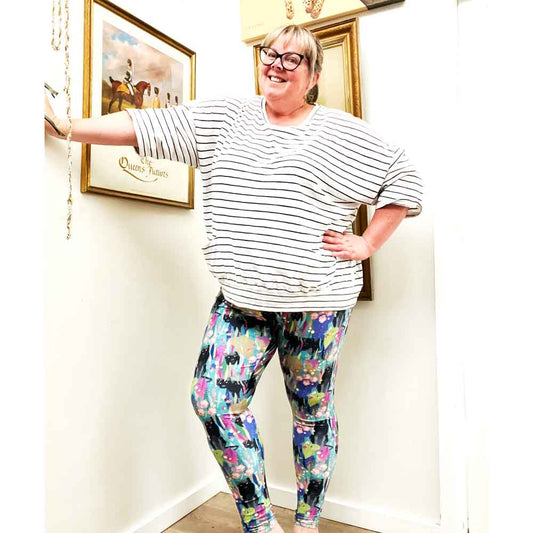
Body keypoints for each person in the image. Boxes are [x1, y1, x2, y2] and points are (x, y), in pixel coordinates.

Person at [44, 24, 422, 533]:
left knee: (311, 414)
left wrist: (368, 243)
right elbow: (142, 125)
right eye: (271, 53)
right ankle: (260, 523)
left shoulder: (343, 133)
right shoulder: (224, 118)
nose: (277, 65)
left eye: (293, 59)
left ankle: (307, 523)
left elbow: (404, 179)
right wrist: (68, 127)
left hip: (318, 305)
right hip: (242, 302)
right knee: (213, 401)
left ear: (313, 76)